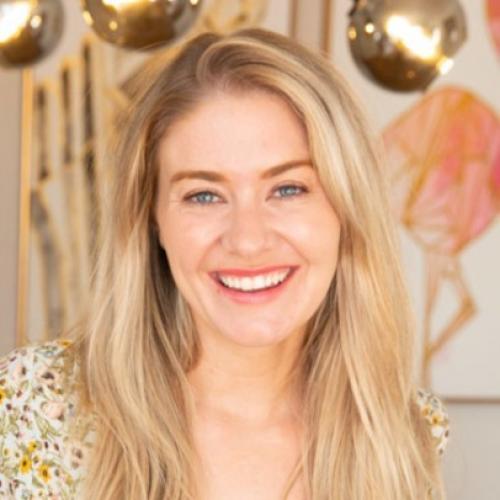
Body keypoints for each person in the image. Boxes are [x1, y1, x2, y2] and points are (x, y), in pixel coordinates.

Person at [0, 28, 449, 499]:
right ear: (153, 219)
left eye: (288, 189)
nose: (248, 240)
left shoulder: (405, 435)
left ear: (347, 207)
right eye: (204, 195)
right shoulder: (34, 406)